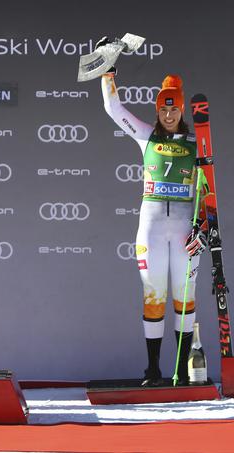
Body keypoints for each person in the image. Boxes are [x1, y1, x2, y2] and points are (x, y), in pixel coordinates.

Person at [100, 56, 208, 386]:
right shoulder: (147, 136)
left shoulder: (196, 143)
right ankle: (153, 370)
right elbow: (114, 110)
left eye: (174, 109)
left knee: (184, 296)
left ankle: (183, 374)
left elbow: (207, 189)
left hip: (185, 230)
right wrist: (107, 72)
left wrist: (203, 224)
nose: (169, 114)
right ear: (158, 111)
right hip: (151, 226)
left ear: (182, 111)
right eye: (164, 109)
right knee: (153, 294)